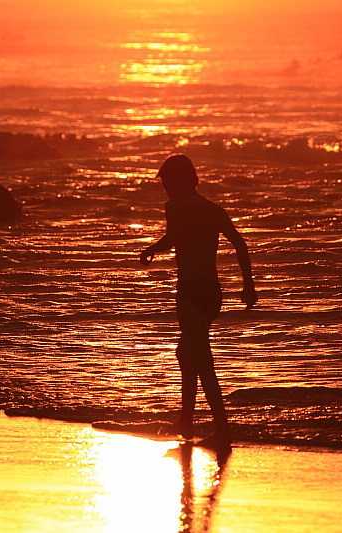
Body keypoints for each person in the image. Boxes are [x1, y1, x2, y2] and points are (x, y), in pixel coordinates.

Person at [140, 154, 257, 448]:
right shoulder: (213, 209)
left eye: (167, 181)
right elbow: (240, 244)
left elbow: (175, 237)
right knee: (186, 352)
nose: (164, 187)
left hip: (190, 290)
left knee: (201, 359)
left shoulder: (175, 207)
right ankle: (187, 423)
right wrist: (248, 285)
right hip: (212, 293)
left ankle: (222, 430)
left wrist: (152, 248)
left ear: (179, 181)